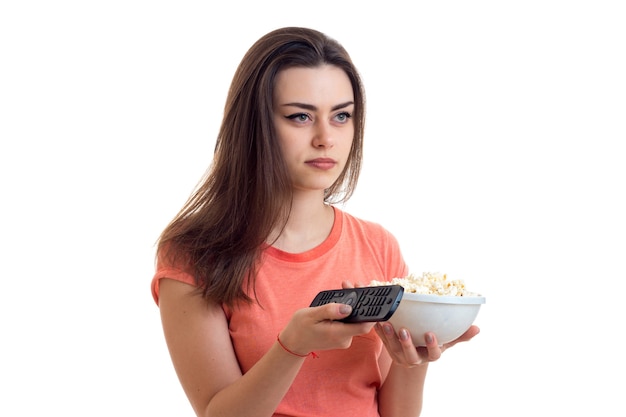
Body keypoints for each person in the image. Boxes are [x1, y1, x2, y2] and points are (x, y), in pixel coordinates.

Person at [150, 26, 479, 417]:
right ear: (255, 125)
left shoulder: (378, 246)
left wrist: (416, 357)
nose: (326, 138)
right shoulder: (195, 254)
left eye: (341, 116)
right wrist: (293, 346)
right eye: (301, 116)